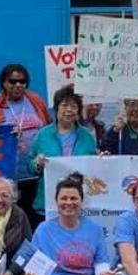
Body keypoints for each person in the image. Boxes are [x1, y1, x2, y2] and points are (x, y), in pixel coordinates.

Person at [0, 64, 52, 228]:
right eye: (13, 81)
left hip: (37, 176)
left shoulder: (36, 101)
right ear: (4, 83)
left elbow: (49, 127)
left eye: (22, 81)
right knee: (13, 224)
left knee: (35, 222)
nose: (18, 85)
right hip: (12, 178)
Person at [31, 86, 98, 222]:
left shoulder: (87, 136)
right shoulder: (42, 135)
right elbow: (29, 164)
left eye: (73, 106)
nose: (68, 110)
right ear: (56, 109)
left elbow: (94, 165)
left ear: (78, 111)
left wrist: (102, 159)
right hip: (47, 204)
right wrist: (37, 163)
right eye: (64, 105)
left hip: (78, 204)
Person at [31, 174, 116, 275]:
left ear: (82, 202)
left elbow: (101, 262)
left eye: (73, 198)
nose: (69, 202)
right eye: (64, 198)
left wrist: (103, 274)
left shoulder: (95, 229)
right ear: (56, 201)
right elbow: (35, 267)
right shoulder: (43, 230)